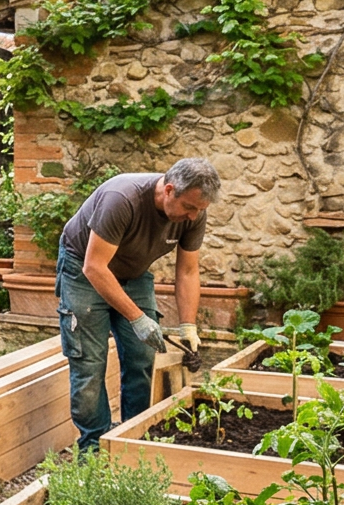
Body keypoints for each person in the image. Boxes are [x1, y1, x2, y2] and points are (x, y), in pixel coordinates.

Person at [56, 159, 221, 448]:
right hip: (84, 269)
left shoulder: (193, 213)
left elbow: (187, 271)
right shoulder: (122, 199)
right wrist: (138, 318)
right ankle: (94, 448)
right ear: (169, 190)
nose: (194, 217)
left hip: (133, 273)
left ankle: (133, 442)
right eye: (189, 208)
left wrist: (188, 326)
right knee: (90, 363)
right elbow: (94, 267)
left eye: (200, 210)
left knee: (141, 357)